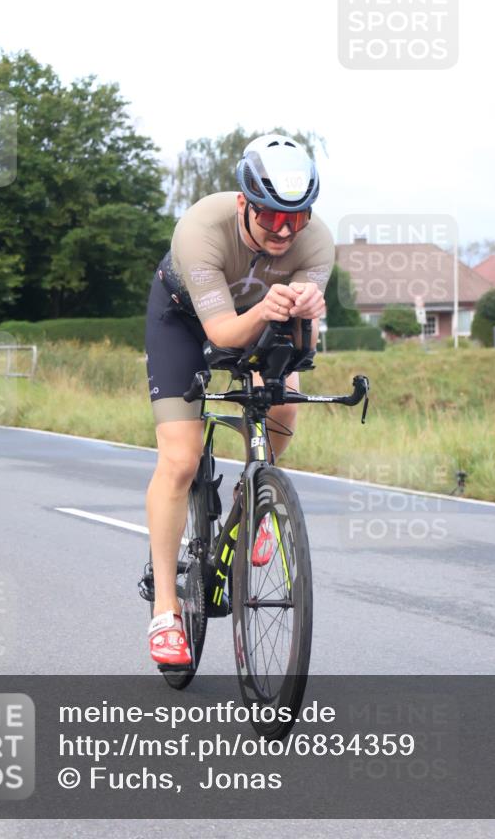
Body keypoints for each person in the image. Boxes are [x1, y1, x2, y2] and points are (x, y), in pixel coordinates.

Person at [144, 134, 334, 665]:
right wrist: (276, 307)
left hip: (260, 317)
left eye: (296, 219)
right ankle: (165, 611)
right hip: (185, 321)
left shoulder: (316, 242)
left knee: (284, 401)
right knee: (180, 459)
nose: (283, 230)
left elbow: (301, 350)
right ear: (245, 203)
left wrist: (307, 314)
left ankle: (255, 505)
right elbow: (224, 331)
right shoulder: (202, 227)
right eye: (271, 216)